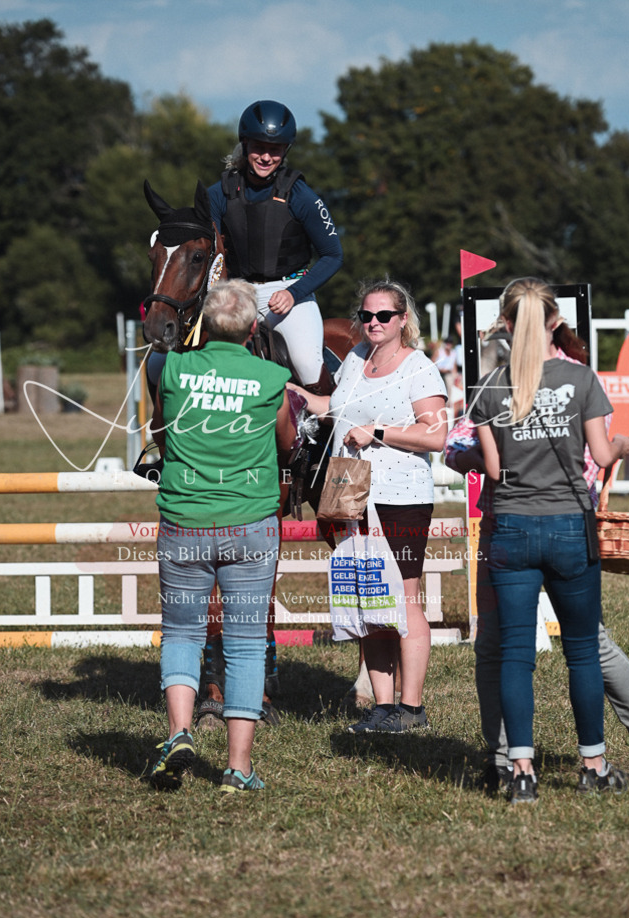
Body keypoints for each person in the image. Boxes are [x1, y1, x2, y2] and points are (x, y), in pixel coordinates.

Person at [469, 276, 629, 803]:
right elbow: (601, 457)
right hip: (568, 526)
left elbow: (493, 469)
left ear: (506, 323)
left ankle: (521, 770)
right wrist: (624, 443)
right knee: (582, 652)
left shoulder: (490, 387)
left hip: (512, 528)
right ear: (555, 321)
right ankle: (594, 765)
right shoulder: (580, 379)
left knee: (516, 654)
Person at [148, 279, 295, 793]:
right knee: (247, 644)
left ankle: (179, 733)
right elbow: (287, 442)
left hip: (185, 519)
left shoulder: (173, 369)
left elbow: (161, 429)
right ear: (253, 329)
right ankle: (238, 767)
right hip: (250, 523)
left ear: (203, 326)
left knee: (181, 634)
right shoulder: (272, 376)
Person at [445, 417, 629, 793]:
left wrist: (500, 461)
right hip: (521, 525)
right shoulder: (500, 389)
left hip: (540, 524)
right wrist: (618, 446)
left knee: (582, 644)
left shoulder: (569, 386)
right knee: (501, 645)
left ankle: (517, 765)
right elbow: (455, 446)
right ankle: (505, 761)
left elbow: (589, 459)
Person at [293, 279, 448, 733]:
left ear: (403, 319)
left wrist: (378, 432)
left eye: (383, 315)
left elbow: (435, 435)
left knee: (405, 600)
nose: (373, 323)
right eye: (366, 315)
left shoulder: (419, 367)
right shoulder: (356, 359)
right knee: (369, 599)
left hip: (401, 498)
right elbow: (337, 408)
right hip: (352, 493)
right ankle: (382, 707)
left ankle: (411, 707)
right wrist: (296, 394)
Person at [207, 100, 343, 393]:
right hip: (234, 293)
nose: (266, 157)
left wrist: (294, 293)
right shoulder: (219, 193)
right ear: (245, 143)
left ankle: (327, 419)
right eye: (259, 147)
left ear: (286, 150)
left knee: (307, 363)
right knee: (166, 361)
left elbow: (333, 255)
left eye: (276, 149)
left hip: (288, 294)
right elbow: (207, 253)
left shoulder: (301, 196)